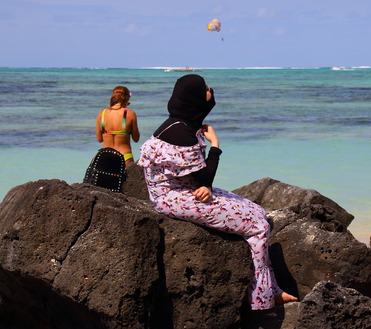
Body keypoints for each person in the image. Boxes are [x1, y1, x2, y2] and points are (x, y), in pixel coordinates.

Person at [137, 74, 297, 310]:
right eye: (206, 89)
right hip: (175, 199)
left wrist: (204, 187)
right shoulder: (181, 134)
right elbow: (205, 179)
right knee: (258, 225)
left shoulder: (180, 123)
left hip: (184, 190)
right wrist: (216, 145)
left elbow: (199, 181)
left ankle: (271, 286)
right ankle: (262, 294)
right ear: (195, 98)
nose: (211, 91)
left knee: (257, 210)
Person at [96, 86, 140, 166]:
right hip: (124, 156)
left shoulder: (101, 114)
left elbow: (100, 139)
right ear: (126, 98)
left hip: (106, 156)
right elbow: (136, 138)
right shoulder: (130, 113)